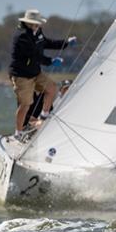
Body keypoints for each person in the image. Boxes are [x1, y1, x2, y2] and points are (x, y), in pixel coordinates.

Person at [8, 9, 76, 138]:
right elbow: (34, 56)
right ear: (27, 23)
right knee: (25, 104)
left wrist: (66, 43)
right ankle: (19, 132)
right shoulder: (22, 36)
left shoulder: (37, 32)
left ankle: (44, 116)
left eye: (38, 24)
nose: (37, 26)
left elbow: (47, 43)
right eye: (34, 24)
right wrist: (50, 61)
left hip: (35, 72)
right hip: (21, 75)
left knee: (52, 88)